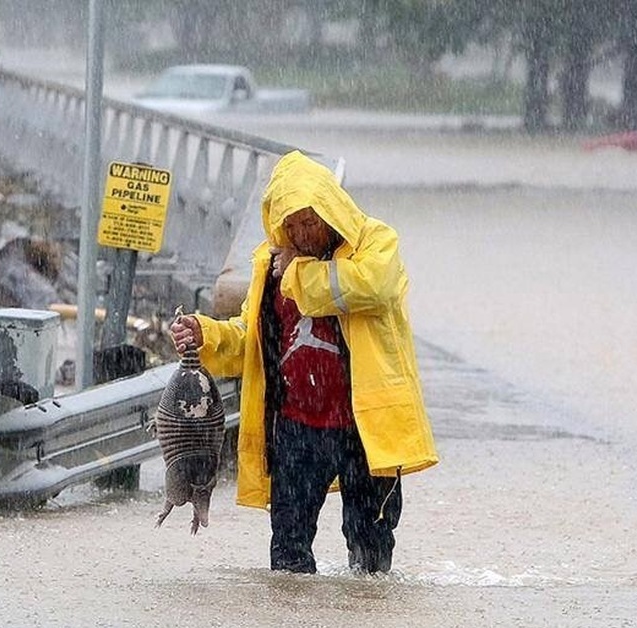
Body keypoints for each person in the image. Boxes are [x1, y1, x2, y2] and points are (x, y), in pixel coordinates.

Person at [170, 150, 437, 574]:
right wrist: (208, 333)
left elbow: (370, 288)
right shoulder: (270, 264)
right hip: (297, 429)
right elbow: (250, 342)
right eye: (290, 226)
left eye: (310, 223)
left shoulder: (375, 244)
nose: (302, 234)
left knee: (370, 556)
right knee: (288, 553)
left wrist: (297, 272)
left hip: (364, 429)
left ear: (331, 212)